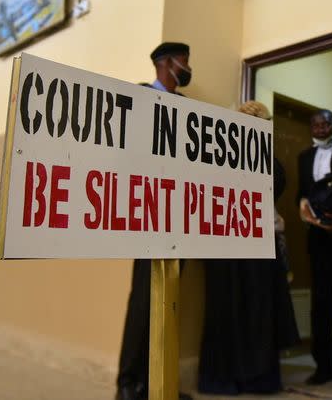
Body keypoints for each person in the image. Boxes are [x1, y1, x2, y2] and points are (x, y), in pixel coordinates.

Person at [197, 100, 300, 395]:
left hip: (244, 243)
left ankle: (242, 377)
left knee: (243, 309)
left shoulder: (253, 154)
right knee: (241, 309)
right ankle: (246, 377)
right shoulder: (227, 153)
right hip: (233, 242)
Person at [116, 42, 193, 400]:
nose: (187, 67)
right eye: (184, 61)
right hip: (150, 215)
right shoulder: (140, 98)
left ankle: (158, 385)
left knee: (170, 303)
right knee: (144, 302)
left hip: (180, 220)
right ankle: (128, 384)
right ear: (166, 63)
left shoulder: (187, 110)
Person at [297, 109, 332, 388]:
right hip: (317, 240)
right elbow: (302, 195)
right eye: (315, 124)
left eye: (325, 124)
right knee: (320, 305)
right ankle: (324, 367)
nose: (319, 128)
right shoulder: (303, 157)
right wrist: (304, 211)